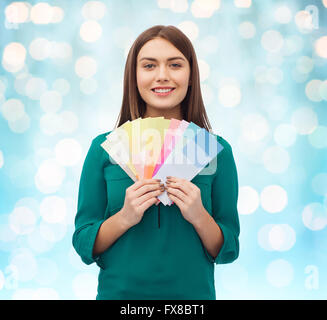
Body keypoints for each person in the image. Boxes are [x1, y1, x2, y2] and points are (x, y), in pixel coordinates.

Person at [72, 25, 240, 300]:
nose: (162, 76)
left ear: (191, 76)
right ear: (134, 76)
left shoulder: (214, 152)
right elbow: (83, 243)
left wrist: (199, 215)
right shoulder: (104, 149)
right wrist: (125, 217)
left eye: (175, 65)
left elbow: (228, 249)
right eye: (149, 65)